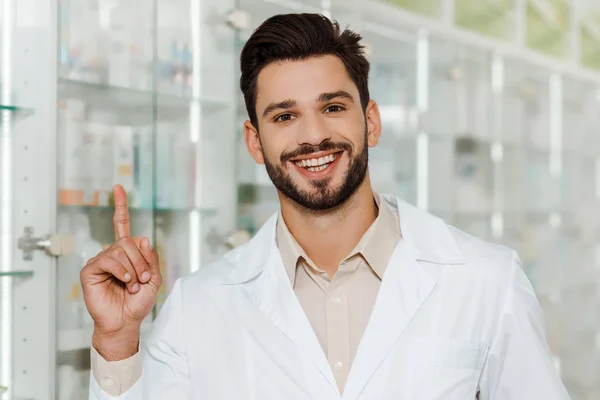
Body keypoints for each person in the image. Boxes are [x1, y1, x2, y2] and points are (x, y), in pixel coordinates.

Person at [83, 13, 569, 400]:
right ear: (255, 142)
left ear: (371, 121)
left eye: (333, 107)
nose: (313, 135)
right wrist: (118, 341)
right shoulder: (199, 307)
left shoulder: (486, 280)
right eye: (285, 115)